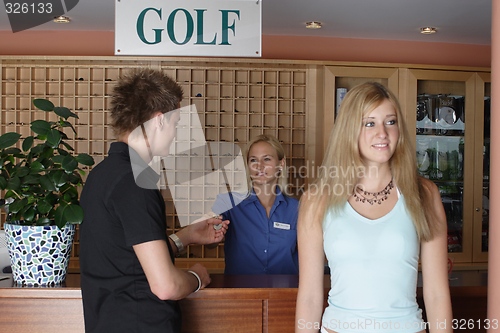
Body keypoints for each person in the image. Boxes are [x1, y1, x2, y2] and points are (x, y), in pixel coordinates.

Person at [79, 68, 229, 333]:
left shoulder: (100, 176)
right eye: (176, 124)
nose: (176, 134)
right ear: (159, 120)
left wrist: (185, 237)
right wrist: (196, 277)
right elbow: (165, 286)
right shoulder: (135, 182)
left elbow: (126, 260)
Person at [295, 82, 452, 333]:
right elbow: (310, 297)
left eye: (390, 122)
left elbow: (436, 294)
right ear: (349, 130)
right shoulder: (317, 199)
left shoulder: (424, 194)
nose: (382, 133)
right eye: (369, 123)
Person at [213, 134, 299, 275]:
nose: (259, 166)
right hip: (240, 293)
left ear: (280, 164)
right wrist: (214, 230)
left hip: (285, 292)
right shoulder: (229, 203)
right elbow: (211, 241)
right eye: (253, 160)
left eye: (266, 159)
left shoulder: (297, 209)